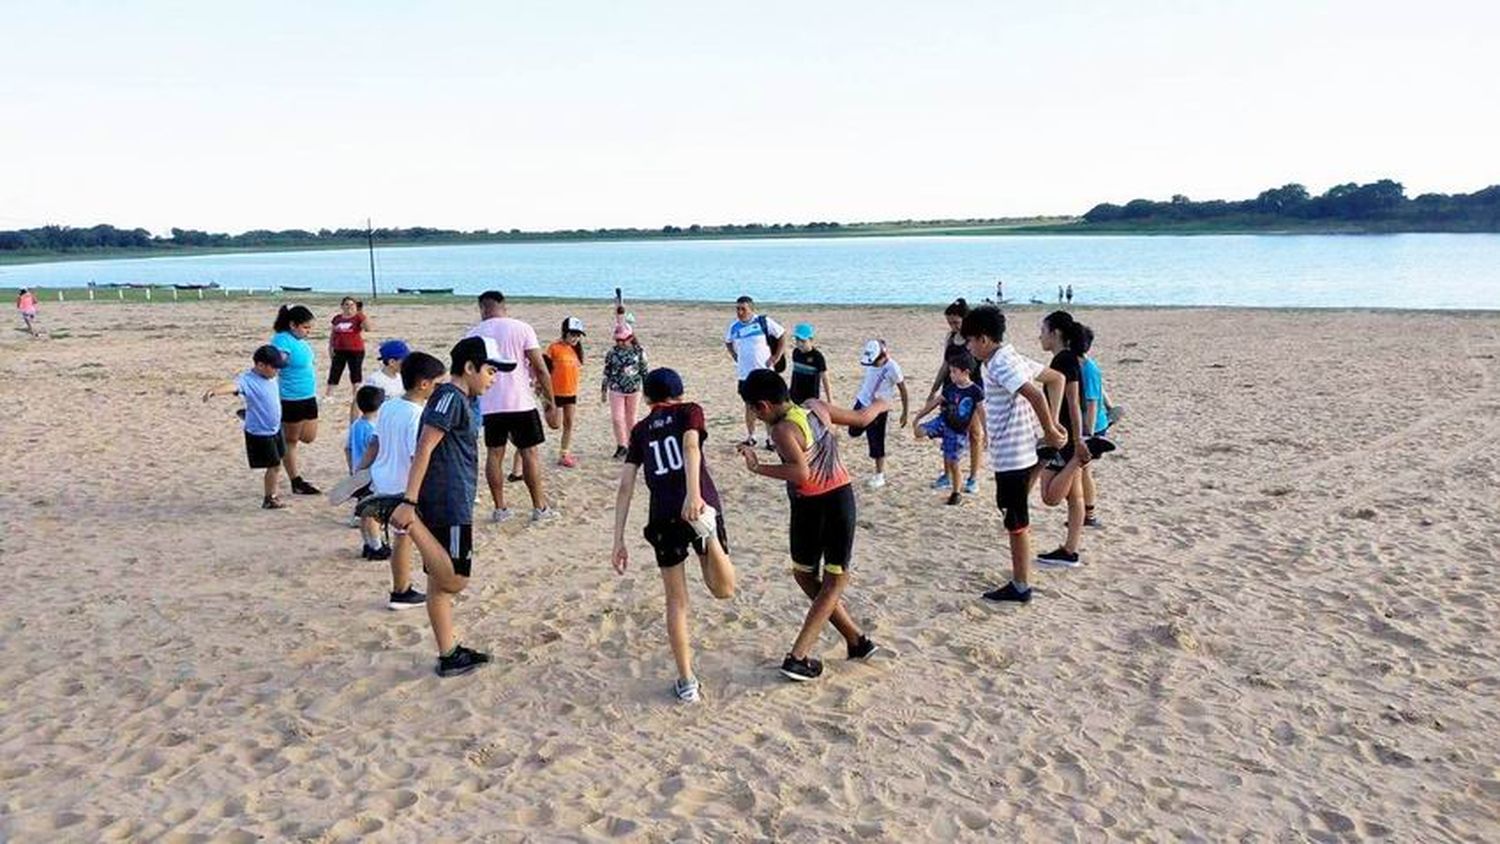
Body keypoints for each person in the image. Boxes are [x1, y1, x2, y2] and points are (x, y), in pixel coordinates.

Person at [374, 336, 513, 677]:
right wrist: (408, 502)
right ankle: (406, 522)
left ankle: (449, 653)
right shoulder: (450, 397)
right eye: (491, 371)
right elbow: (424, 446)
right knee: (455, 581)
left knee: (438, 587)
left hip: (447, 497)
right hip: (448, 502)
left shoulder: (457, 398)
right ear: (469, 368)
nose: (493, 379)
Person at [735, 370, 886, 682]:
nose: (752, 414)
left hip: (818, 506)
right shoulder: (816, 406)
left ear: (762, 406)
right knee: (808, 576)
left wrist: (757, 467)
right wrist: (882, 405)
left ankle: (798, 656)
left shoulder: (781, 431)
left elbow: (800, 473)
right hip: (833, 502)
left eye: (752, 408)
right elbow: (860, 418)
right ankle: (857, 641)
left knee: (826, 581)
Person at [611, 368, 736, 703]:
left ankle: (686, 680)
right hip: (697, 505)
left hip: (663, 514)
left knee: (676, 602)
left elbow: (626, 486)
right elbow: (691, 446)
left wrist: (618, 539)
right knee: (723, 589)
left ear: (649, 399)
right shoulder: (689, 411)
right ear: (678, 393)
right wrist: (694, 495)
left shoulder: (639, 430)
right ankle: (707, 534)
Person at [960, 305, 1068, 604]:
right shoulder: (1011, 356)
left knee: (1016, 521)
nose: (968, 347)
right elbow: (1055, 378)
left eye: (969, 341)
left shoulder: (999, 364)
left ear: (983, 339)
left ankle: (1021, 587)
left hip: (1013, 454)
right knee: (1014, 511)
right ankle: (1047, 454)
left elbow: (1034, 393)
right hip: (1022, 450)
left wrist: (1050, 429)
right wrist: (1054, 422)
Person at [357, 351, 445, 611]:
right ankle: (404, 591)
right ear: (424, 384)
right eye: (438, 384)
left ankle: (402, 588)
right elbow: (416, 455)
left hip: (383, 481)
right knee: (412, 538)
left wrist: (360, 474)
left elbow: (375, 442)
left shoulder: (388, 406)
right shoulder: (417, 415)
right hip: (405, 488)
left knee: (401, 538)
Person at [466, 290, 558, 524]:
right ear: (503, 305)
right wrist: (550, 401)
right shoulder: (521, 328)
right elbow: (540, 367)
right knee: (529, 454)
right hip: (520, 401)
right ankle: (539, 507)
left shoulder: (474, 334)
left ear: (482, 308)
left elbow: (467, 374)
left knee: (494, 455)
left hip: (489, 403)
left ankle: (500, 509)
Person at [1034, 311, 1112, 569]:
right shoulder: (1071, 360)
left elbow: (1072, 401)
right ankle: (1070, 550)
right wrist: (1081, 436)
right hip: (1070, 434)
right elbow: (1075, 402)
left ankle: (1079, 459)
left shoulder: (1062, 361)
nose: (1040, 336)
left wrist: (1076, 440)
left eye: (1043, 331)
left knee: (1050, 496)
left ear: (1055, 333)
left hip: (1063, 436)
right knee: (1075, 497)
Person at [202, 344, 291, 509]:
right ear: (260, 365)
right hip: (261, 432)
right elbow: (232, 386)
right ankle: (269, 498)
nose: (277, 371)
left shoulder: (271, 376)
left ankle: (271, 496)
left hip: (275, 428)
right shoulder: (248, 380)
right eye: (274, 367)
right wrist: (214, 391)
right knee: (274, 465)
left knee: (278, 463)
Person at [911, 349, 985, 506]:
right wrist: (918, 416)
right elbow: (936, 402)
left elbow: (981, 412)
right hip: (943, 421)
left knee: (953, 462)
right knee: (919, 432)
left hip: (957, 431)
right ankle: (949, 479)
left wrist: (986, 431)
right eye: (950, 371)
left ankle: (956, 492)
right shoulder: (951, 387)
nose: (950, 375)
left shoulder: (975, 391)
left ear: (965, 372)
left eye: (953, 371)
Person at [926, 298, 985, 494]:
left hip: (971, 390)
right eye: (950, 322)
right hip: (950, 389)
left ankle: (973, 478)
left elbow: (982, 366)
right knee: (948, 431)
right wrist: (934, 389)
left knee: (975, 434)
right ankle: (947, 474)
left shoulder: (974, 340)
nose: (953, 325)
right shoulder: (950, 338)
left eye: (956, 322)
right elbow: (945, 366)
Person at [270, 304, 321, 495]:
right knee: (291, 441)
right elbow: (278, 361)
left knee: (309, 436)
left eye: (310, 327)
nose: (308, 331)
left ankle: (277, 429)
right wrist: (279, 360)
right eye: (306, 327)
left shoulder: (302, 342)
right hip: (290, 398)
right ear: (293, 325)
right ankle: (295, 480)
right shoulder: (282, 339)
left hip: (308, 396)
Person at [724, 295, 786, 447]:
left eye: (743, 309)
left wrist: (776, 356)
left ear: (751, 309)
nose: (740, 312)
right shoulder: (734, 327)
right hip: (745, 374)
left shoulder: (763, 322)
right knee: (749, 406)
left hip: (765, 372)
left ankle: (770, 439)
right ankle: (751, 437)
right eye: (737, 309)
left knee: (769, 406)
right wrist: (734, 355)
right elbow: (728, 342)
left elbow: (782, 335)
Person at [848, 340, 909, 489]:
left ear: (883, 356)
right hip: (862, 401)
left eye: (875, 362)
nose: (873, 365)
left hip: (878, 408)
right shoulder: (871, 362)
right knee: (853, 431)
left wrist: (905, 412)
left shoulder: (892, 368)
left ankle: (879, 475)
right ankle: (867, 428)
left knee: (876, 441)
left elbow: (903, 390)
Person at [346, 385, 386, 560]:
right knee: (373, 513)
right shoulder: (373, 429)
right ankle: (376, 546)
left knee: (363, 512)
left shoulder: (356, 425)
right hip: (371, 477)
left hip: (358, 474)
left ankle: (367, 544)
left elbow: (347, 448)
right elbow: (376, 452)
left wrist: (353, 470)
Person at [1077, 326, 1112, 528]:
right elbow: (1102, 390)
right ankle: (1085, 513)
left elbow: (1091, 402)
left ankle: (1089, 514)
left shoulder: (1087, 368)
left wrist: (1087, 435)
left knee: (1084, 470)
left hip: (1092, 426)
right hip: (1090, 423)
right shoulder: (1082, 365)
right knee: (1082, 471)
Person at [602, 315, 648, 460]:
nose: (620, 343)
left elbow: (644, 371)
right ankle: (621, 446)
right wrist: (603, 390)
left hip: (634, 389)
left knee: (631, 419)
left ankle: (633, 445)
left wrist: (648, 390)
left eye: (623, 340)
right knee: (617, 418)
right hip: (616, 389)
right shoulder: (612, 353)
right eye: (617, 340)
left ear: (630, 338)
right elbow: (607, 371)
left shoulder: (639, 352)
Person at [546, 317, 586, 467]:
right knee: (555, 424)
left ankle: (564, 454)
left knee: (568, 423)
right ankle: (546, 406)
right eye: (573, 334)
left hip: (571, 392)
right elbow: (545, 369)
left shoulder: (576, 350)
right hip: (555, 392)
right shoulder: (554, 348)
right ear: (565, 333)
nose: (576, 338)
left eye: (578, 335)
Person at [325, 297, 370, 399]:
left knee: (355, 373)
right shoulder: (337, 318)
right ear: (342, 306)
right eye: (346, 304)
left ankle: (356, 396)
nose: (349, 307)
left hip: (356, 350)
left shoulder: (358, 317)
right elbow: (333, 334)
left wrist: (361, 314)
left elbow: (368, 328)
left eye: (352, 305)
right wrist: (330, 347)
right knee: (335, 372)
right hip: (339, 349)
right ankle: (329, 395)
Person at [788, 323, 831, 405]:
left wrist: (829, 399)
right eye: (797, 340)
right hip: (794, 396)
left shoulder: (817, 357)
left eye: (803, 341)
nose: (799, 344)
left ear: (811, 340)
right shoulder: (796, 352)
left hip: (810, 398)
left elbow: (825, 378)